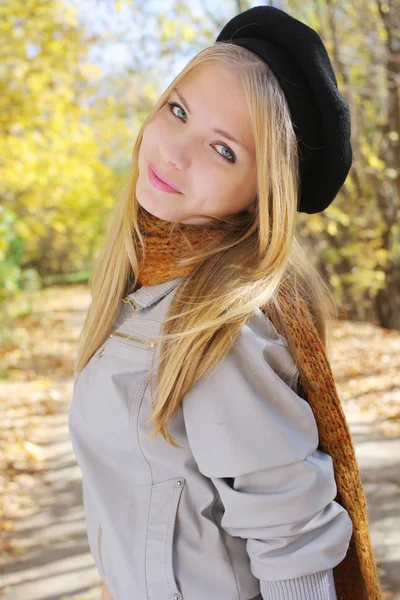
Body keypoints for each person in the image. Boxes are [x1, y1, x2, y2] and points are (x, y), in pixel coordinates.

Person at [68, 6, 382, 600]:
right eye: (178, 111)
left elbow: (292, 541)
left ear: (266, 193)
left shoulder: (219, 328)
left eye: (224, 150)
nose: (175, 152)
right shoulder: (143, 286)